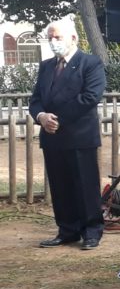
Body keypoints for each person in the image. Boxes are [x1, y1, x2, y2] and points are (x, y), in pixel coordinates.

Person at [29, 21, 107, 250]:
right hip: (52, 137)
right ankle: (67, 230)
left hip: (79, 136)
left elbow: (90, 97)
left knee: (85, 185)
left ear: (73, 38)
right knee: (60, 187)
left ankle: (91, 231)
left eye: (58, 37)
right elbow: (35, 99)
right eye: (50, 38)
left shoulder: (90, 63)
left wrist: (57, 119)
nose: (53, 42)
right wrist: (41, 116)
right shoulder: (46, 66)